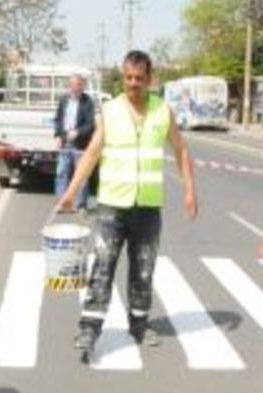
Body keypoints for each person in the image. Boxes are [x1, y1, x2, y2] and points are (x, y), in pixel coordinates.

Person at [56, 50, 198, 356]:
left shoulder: (163, 111)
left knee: (143, 268)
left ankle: (139, 324)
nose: (133, 84)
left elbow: (182, 150)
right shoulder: (109, 110)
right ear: (123, 77)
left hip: (147, 206)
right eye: (128, 78)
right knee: (103, 266)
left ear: (149, 79)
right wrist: (71, 192)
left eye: (139, 78)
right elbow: (92, 152)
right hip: (111, 205)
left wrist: (190, 190)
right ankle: (89, 329)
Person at [53, 74, 96, 211]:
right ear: (69, 86)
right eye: (73, 85)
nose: (75, 87)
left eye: (78, 85)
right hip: (65, 143)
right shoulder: (64, 100)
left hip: (81, 145)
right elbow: (59, 119)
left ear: (82, 86)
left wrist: (78, 132)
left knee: (81, 175)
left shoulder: (87, 102)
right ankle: (62, 203)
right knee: (62, 173)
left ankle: (80, 204)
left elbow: (90, 124)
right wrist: (58, 136)